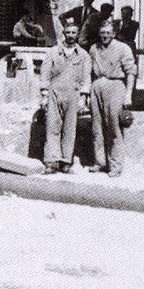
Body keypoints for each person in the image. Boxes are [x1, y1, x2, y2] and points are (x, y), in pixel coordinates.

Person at [40, 19, 91, 174]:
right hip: (55, 93)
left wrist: (83, 97)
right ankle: (52, 161)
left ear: (77, 34)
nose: (70, 36)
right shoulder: (54, 52)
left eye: (73, 33)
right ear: (63, 34)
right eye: (68, 32)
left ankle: (65, 161)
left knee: (69, 129)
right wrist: (44, 94)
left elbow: (86, 77)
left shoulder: (83, 55)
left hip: (73, 94)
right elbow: (45, 73)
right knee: (52, 127)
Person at [88, 19, 137, 178]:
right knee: (97, 126)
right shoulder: (94, 49)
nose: (105, 36)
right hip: (97, 86)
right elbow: (89, 72)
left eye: (108, 33)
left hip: (115, 86)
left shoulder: (123, 48)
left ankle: (115, 165)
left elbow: (131, 72)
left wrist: (128, 94)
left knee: (114, 126)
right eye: (102, 33)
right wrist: (88, 93)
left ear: (114, 34)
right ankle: (100, 161)